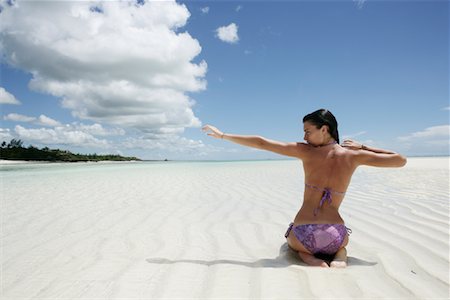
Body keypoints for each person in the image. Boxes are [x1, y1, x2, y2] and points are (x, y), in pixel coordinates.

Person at [202, 108, 407, 268]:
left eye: (308, 131)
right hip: (336, 235)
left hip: (303, 236)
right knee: (341, 247)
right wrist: (364, 147)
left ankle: (310, 259)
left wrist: (223, 136)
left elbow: (262, 143)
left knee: (292, 244)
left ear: (324, 129)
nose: (305, 137)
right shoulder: (353, 156)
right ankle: (339, 257)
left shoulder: (306, 152)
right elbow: (399, 160)